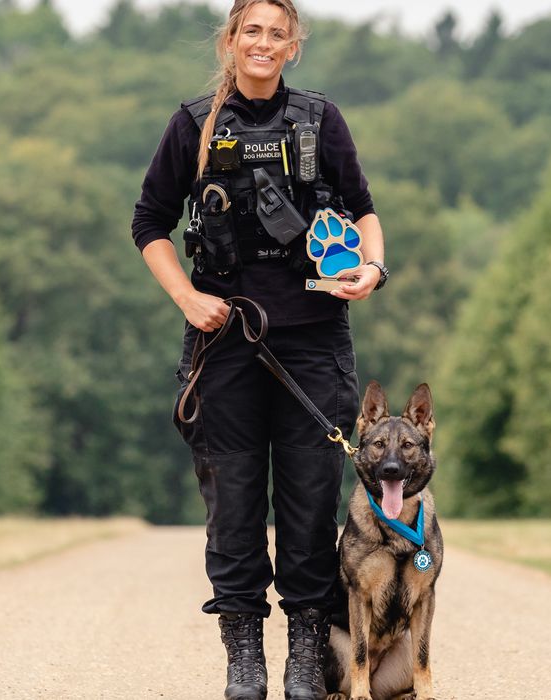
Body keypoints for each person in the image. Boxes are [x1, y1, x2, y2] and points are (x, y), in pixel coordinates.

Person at [130, 1, 387, 698]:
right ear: (231, 41)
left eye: (278, 33)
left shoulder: (320, 118)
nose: (264, 43)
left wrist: (371, 267)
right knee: (235, 509)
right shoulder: (193, 124)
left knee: (308, 509)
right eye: (252, 31)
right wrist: (186, 298)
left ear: (293, 45)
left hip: (314, 341)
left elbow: (363, 208)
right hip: (225, 343)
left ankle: (305, 661)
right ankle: (243, 662)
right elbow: (149, 221)